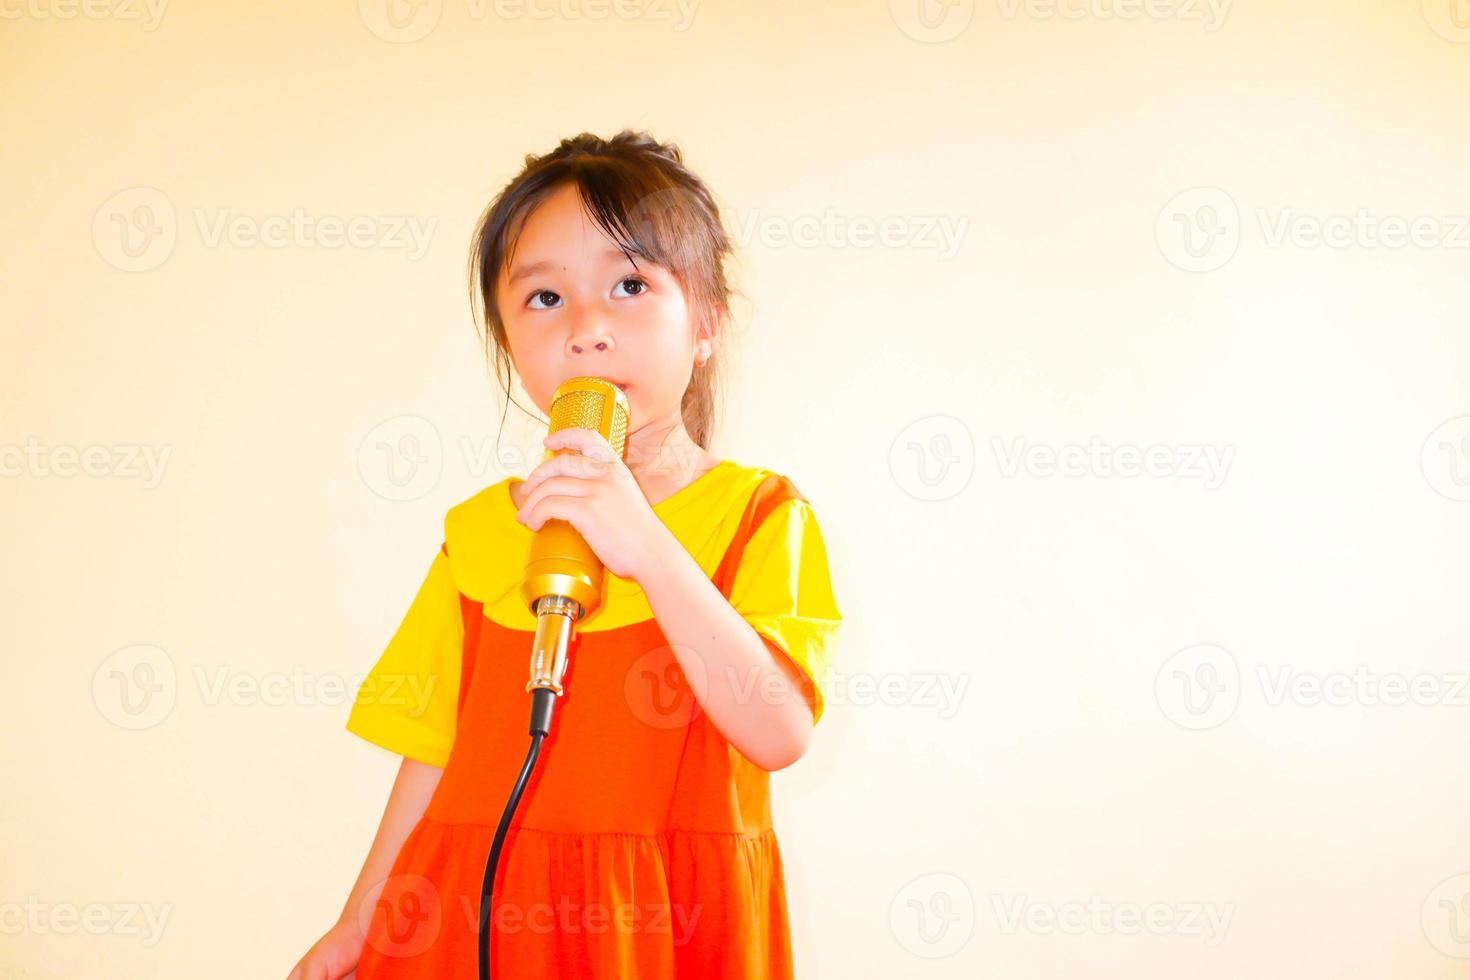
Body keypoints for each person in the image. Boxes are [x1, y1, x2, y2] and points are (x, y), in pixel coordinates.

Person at [288, 130, 842, 979]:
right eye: (544, 299)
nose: (586, 328)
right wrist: (356, 924)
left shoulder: (759, 515)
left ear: (705, 325)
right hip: (473, 911)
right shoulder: (481, 533)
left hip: (654, 925)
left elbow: (778, 730)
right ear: (507, 340)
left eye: (629, 286)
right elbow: (433, 755)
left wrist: (647, 547)